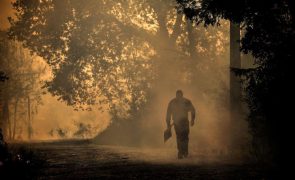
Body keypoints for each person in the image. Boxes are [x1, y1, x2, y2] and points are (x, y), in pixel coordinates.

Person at [166, 90, 196, 159]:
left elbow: (193, 110)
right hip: (177, 123)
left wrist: (192, 120)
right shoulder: (172, 102)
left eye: (180, 95)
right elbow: (168, 113)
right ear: (176, 95)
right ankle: (181, 152)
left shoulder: (186, 102)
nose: (179, 97)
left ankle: (184, 152)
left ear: (182, 95)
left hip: (184, 122)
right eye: (178, 95)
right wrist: (168, 124)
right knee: (179, 137)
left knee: (184, 137)